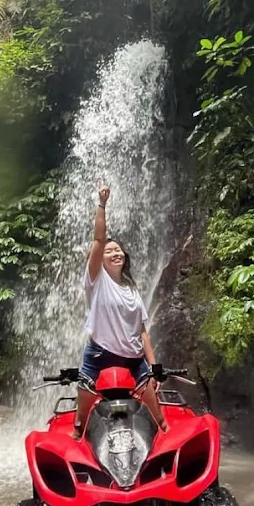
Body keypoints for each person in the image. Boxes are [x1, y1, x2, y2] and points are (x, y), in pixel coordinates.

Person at [72, 182, 169, 440]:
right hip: (100, 352)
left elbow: (142, 330)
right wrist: (102, 205)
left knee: (155, 406)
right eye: (109, 251)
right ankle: (79, 428)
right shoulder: (96, 280)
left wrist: (154, 363)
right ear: (100, 258)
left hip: (133, 355)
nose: (114, 252)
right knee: (83, 399)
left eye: (118, 250)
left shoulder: (131, 288)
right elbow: (99, 238)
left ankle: (162, 430)